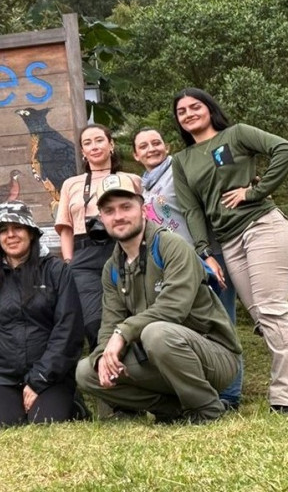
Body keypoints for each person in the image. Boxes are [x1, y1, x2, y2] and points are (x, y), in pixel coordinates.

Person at [171, 88, 288, 413]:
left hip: (262, 226)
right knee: (263, 319)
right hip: (229, 242)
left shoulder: (236, 135)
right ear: (178, 121)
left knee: (272, 311)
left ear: (209, 109)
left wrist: (255, 191)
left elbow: (285, 149)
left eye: (195, 106)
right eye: (182, 111)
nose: (189, 113)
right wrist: (205, 252)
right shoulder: (182, 161)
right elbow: (192, 210)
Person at [75, 174, 241, 423]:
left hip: (212, 355)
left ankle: (207, 409)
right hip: (156, 357)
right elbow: (109, 324)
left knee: (157, 333)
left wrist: (122, 334)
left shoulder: (171, 246)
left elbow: (173, 309)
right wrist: (103, 357)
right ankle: (171, 410)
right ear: (102, 219)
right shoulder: (111, 268)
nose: (118, 216)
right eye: (109, 211)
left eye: (126, 207)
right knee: (86, 371)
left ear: (143, 209)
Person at [132, 128, 243, 409]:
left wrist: (248, 183)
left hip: (207, 257)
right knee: (191, 327)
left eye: (156, 142)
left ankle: (230, 395)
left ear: (166, 146)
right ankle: (204, 390)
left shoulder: (178, 168)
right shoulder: (144, 186)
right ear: (135, 155)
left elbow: (218, 179)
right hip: (177, 266)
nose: (151, 149)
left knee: (223, 323)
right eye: (143, 146)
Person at [0, 202, 84, 428]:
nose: (10, 235)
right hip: (2, 376)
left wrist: (40, 378)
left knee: (44, 425)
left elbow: (68, 331)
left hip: (50, 376)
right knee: (1, 431)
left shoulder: (57, 271)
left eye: (17, 227)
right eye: (3, 230)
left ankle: (74, 404)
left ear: (31, 232)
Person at [55, 124, 142, 347]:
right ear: (82, 151)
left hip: (123, 249)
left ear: (111, 144)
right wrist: (68, 261)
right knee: (94, 322)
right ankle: (105, 367)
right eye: (87, 143)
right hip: (84, 256)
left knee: (132, 314)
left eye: (99, 140)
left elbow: (144, 217)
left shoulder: (131, 179)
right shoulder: (71, 184)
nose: (94, 146)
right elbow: (65, 227)